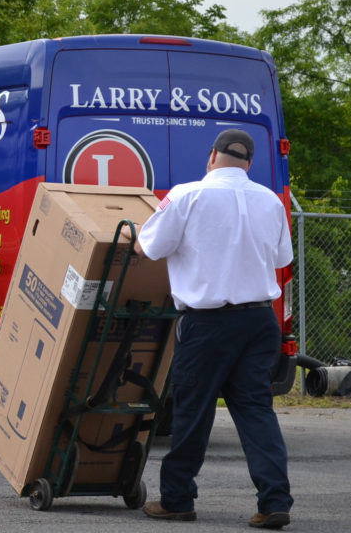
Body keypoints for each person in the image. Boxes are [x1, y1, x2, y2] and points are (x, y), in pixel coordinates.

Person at [129, 129, 294, 529]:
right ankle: (275, 502)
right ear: (249, 163)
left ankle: (177, 499)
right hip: (258, 322)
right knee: (256, 411)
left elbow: (146, 247)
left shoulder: (187, 196)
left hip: (208, 324)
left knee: (193, 410)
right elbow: (282, 256)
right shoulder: (270, 202)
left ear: (212, 156)